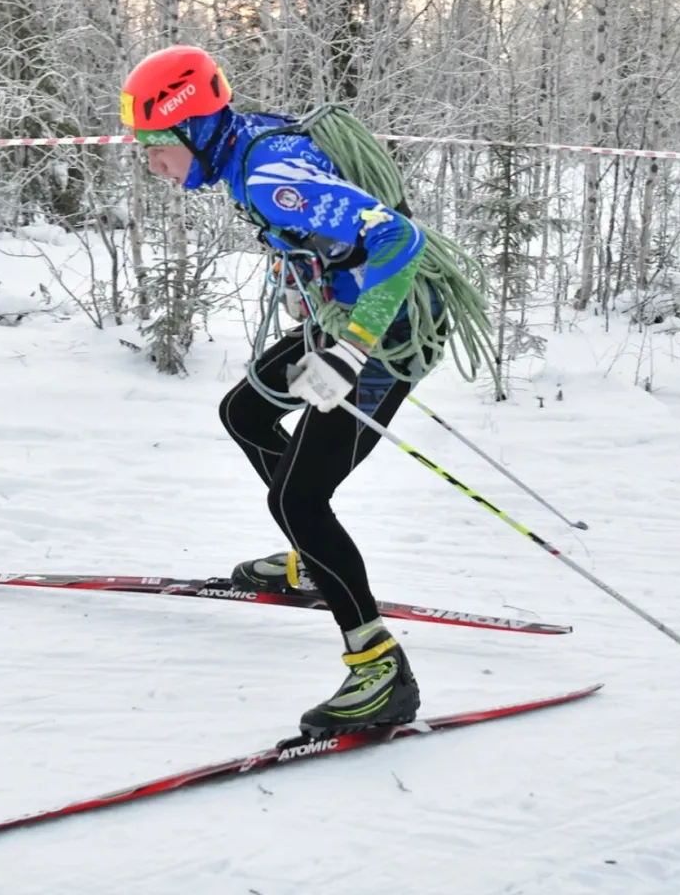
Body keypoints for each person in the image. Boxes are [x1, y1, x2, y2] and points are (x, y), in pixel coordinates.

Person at [119, 45, 445, 738]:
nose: (151, 162)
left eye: (154, 145)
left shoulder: (267, 175)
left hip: (387, 331)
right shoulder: (245, 149)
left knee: (298, 497)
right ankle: (306, 558)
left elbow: (397, 241)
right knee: (247, 412)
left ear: (192, 128)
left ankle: (380, 669)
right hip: (346, 318)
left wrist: (351, 353)